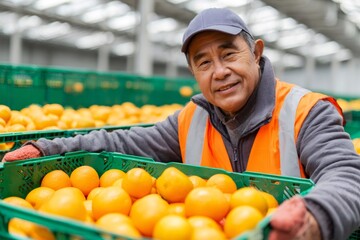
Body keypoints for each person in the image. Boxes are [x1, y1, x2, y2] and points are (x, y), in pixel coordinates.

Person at [3, 8, 360, 240]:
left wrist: (313, 218)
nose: (219, 72)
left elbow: (346, 176)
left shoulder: (305, 111)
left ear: (256, 52)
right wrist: (50, 148)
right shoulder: (192, 118)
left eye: (229, 53)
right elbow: (123, 143)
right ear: (193, 73)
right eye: (203, 62)